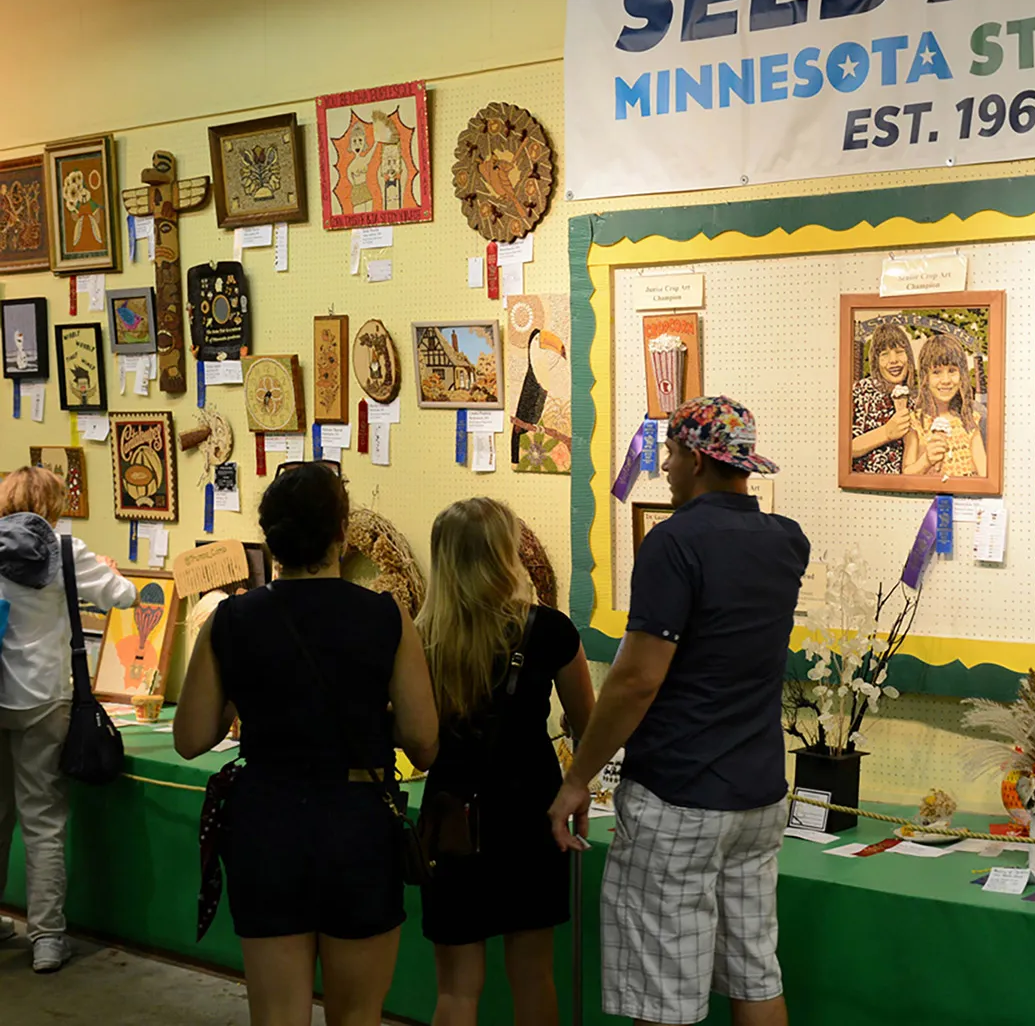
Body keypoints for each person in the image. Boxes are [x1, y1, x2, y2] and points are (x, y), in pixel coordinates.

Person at [549, 396, 809, 1026]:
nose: (663, 467)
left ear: (695, 458)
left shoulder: (674, 543)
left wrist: (578, 778)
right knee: (755, 973)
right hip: (758, 795)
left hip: (680, 798)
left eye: (668, 453)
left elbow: (637, 679)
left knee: (664, 993)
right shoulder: (786, 541)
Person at [175, 462, 439, 1026]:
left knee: (277, 1017)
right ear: (343, 531)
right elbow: (424, 741)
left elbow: (192, 738)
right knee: (358, 1015)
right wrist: (374, 721)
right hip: (356, 822)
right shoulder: (386, 617)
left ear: (269, 538)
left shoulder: (230, 620)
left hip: (266, 820)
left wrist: (243, 699)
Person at [417, 498, 595, 1026]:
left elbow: (414, 737)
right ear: (505, 552)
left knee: (455, 990)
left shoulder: (420, 637)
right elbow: (589, 725)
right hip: (530, 808)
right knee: (534, 974)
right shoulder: (551, 631)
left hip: (453, 811)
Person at [0, 465, 138, 974]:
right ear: (53, 505)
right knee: (43, 822)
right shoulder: (64, 552)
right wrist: (106, 566)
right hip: (44, 698)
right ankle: (47, 940)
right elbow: (124, 597)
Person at [904, 335, 986, 480]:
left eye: (952, 370)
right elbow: (906, 474)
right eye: (936, 372)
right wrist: (926, 461)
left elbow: (984, 472)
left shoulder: (970, 419)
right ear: (925, 378)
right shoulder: (916, 422)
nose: (946, 380)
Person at [845, 322, 917, 475]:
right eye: (884, 354)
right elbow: (844, 449)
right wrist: (886, 433)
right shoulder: (859, 392)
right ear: (876, 362)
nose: (893, 360)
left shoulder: (917, 400)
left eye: (899, 352)